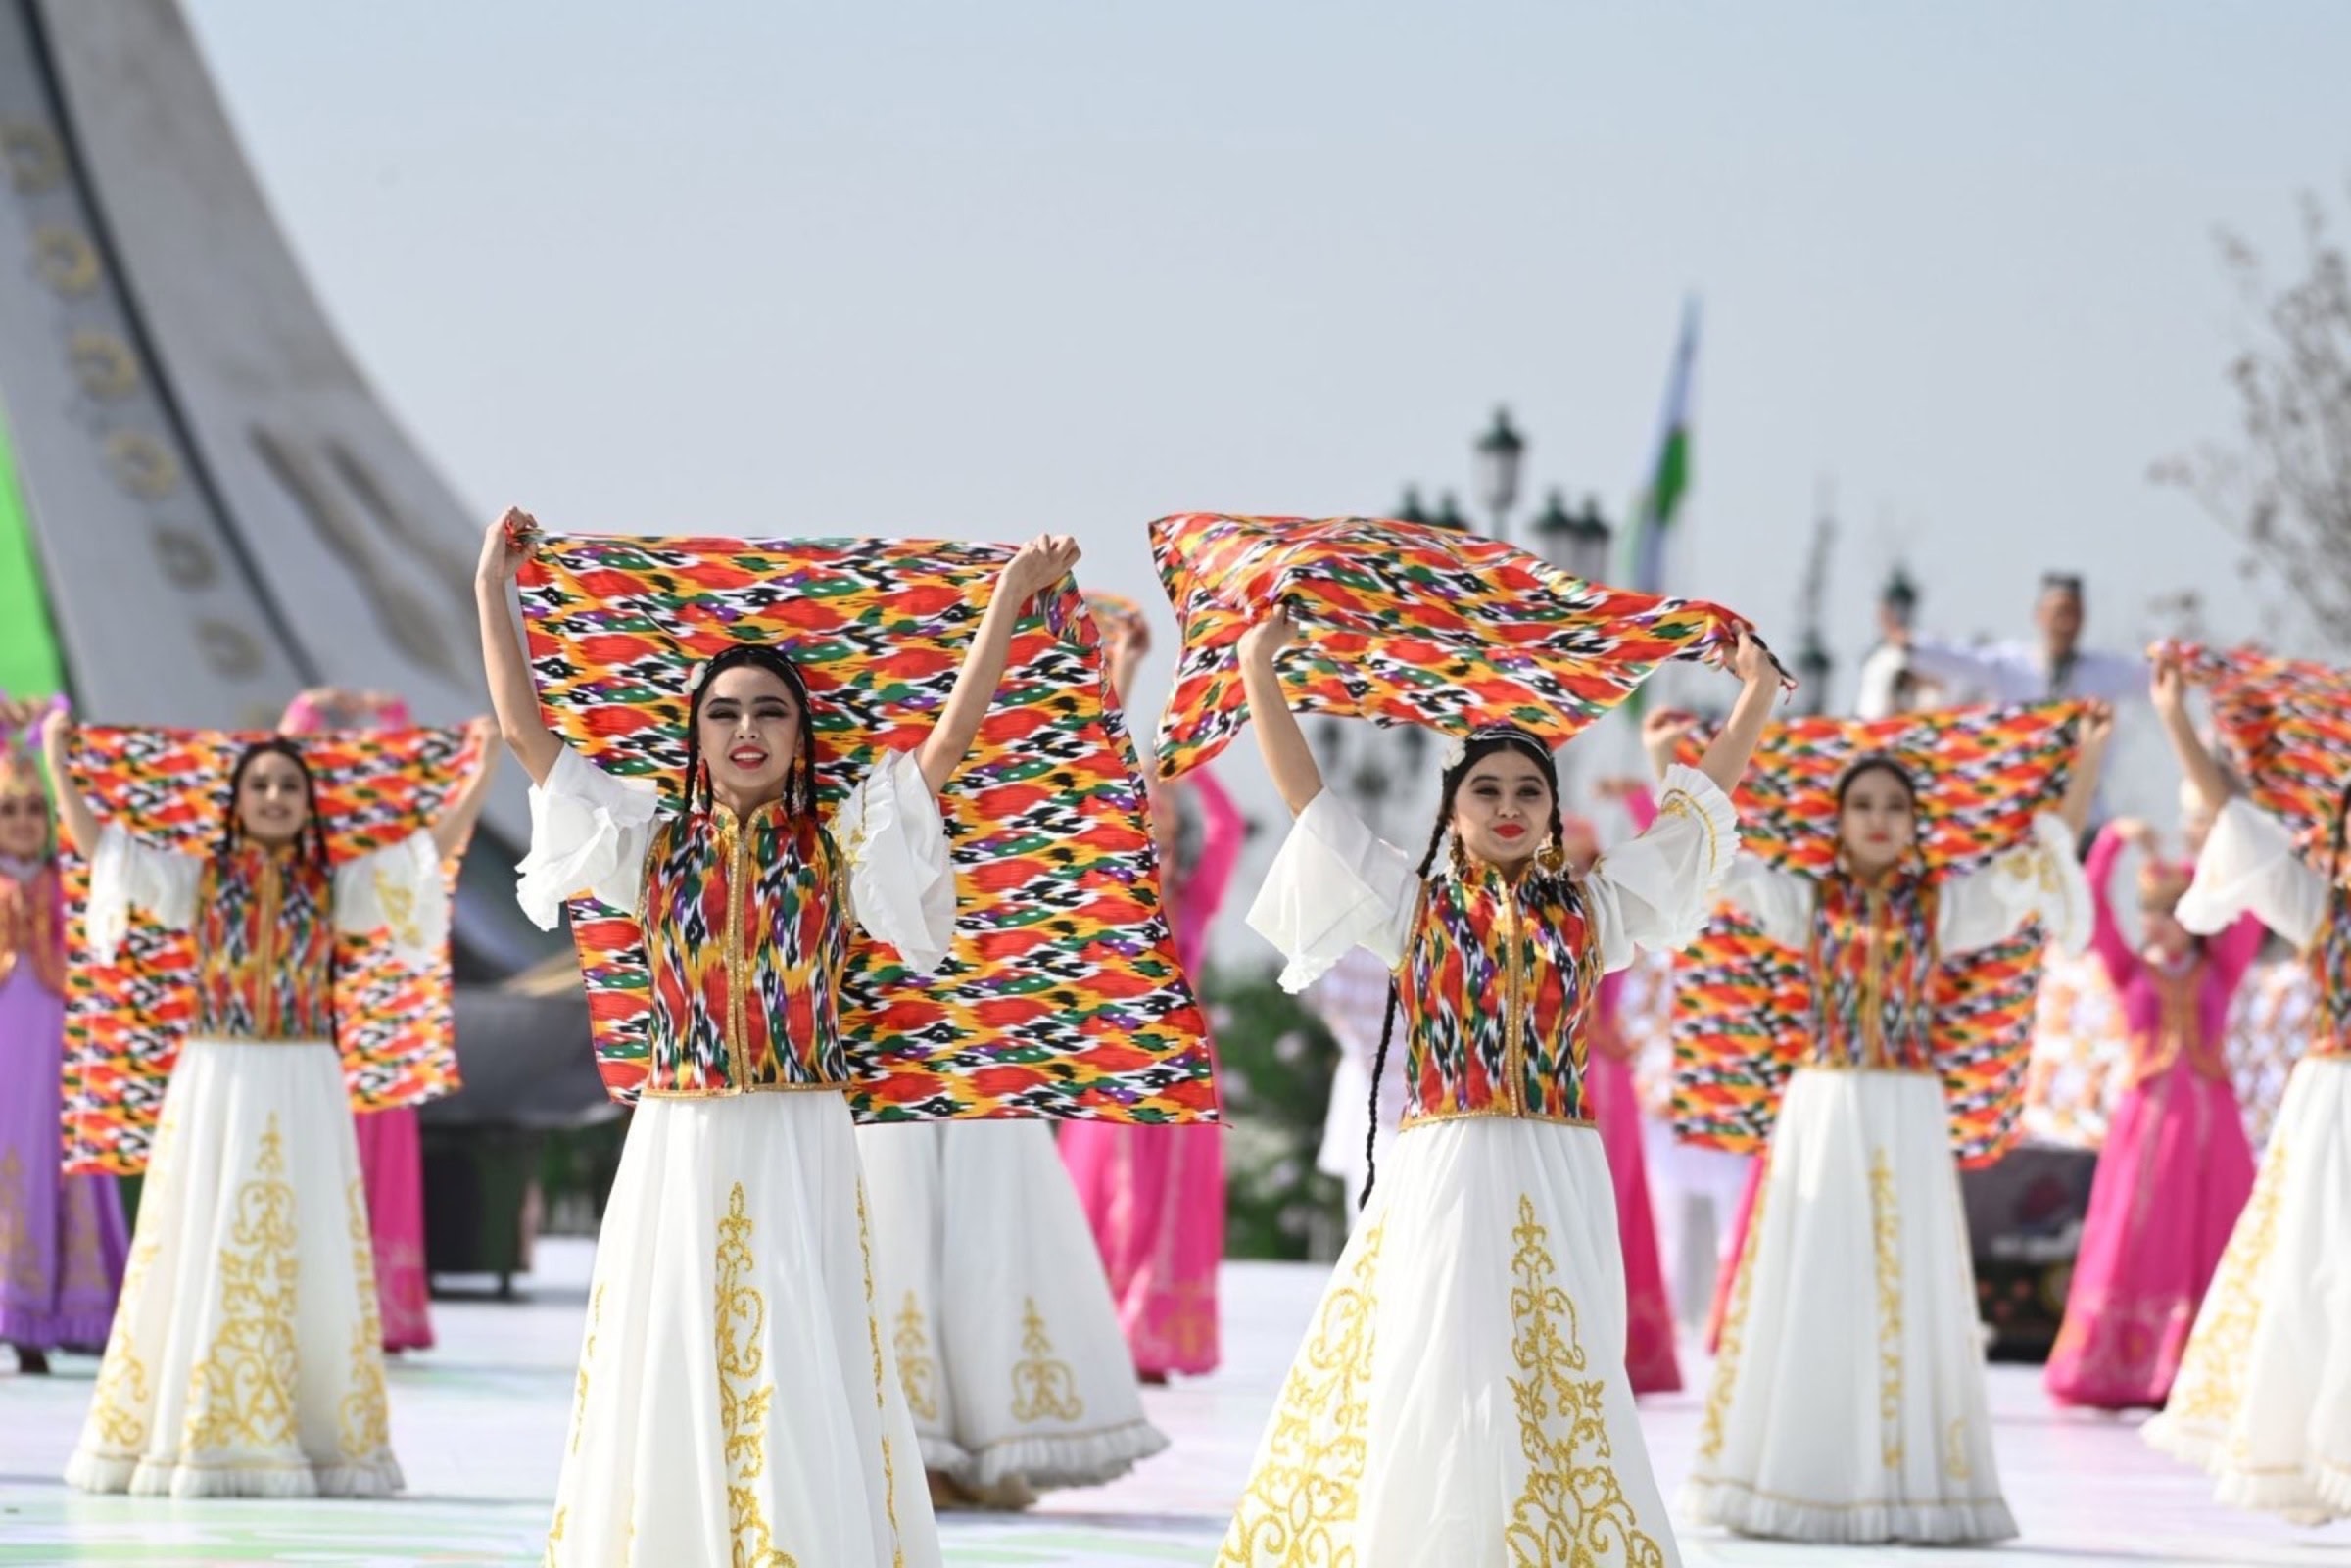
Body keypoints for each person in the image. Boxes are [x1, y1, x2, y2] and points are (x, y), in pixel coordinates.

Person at [480, 509, 1079, 1566]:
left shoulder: (843, 844)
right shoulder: (643, 843)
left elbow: (948, 743)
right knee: (674, 1342)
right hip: (680, 1135)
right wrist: (493, 584)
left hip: (803, 1127)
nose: (746, 727)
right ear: (696, 733)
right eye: (724, 712)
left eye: (769, 712)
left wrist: (1005, 603)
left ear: (802, 738)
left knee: (803, 1344)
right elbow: (529, 734)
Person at [1218, 609, 1778, 1567]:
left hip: (1558, 1164)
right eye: (1487, 789)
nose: (1509, 803)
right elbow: (1312, 805)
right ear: (1454, 809)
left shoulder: (1597, 911)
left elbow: (1693, 823)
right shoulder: (1413, 905)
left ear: (1554, 812)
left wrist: (1758, 693)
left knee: (1549, 1363)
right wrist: (1257, 673)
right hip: (1442, 1160)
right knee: (1436, 1352)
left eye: (1529, 789)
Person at [1678, 706, 2108, 1544]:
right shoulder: (1803, 904)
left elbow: (2040, 858)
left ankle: (1907, 1486)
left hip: (1909, 1108)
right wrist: (1680, 760)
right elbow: (1712, 852)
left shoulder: (1944, 909)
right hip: (1824, 1105)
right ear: (1836, 823)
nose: (1878, 819)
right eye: (1863, 804)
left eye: (1893, 806)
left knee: (1905, 1283)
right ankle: (1797, 1478)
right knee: (1814, 1276)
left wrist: (2087, 759)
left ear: (1915, 826)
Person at [49, 708, 493, 1497]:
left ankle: (312, 1440)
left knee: (307, 1246)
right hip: (215, 1081)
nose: (276, 795)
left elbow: (431, 856)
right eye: (261, 784)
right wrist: (55, 757)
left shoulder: (335, 888)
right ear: (238, 800)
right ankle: (193, 1435)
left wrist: (484, 768)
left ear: (308, 802)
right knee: (203, 1239)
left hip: (306, 1082)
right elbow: (103, 852)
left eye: (290, 784)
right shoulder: (200, 880)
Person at [2140, 651, 2350, 1524]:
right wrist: (2179, 722)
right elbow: (2238, 824)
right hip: (2334, 1100)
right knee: (2318, 1276)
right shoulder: (2321, 910)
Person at [1059, 600, 1241, 1380]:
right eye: (1148, 835)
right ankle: (1099, 1332)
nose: (1158, 847)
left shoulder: (1191, 904)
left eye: (1167, 835)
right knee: (1106, 1196)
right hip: (1114, 1059)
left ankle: (1152, 1338)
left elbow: (1229, 826)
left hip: (1181, 1067)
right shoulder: (1112, 896)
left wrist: (1188, 738)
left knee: (1168, 1205)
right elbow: (1092, 795)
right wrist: (1122, 681)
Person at [2041, 810, 2263, 1409]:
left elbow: (2247, 914)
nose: (2157, 923)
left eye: (2170, 911)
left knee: (2213, 1233)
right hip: (2144, 1125)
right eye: (2151, 911)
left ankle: (2204, 1370)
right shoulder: (2127, 968)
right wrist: (2114, 839)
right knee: (2135, 1229)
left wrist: (2206, 851)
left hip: (2213, 1125)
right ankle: (2121, 1368)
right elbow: (2091, 902)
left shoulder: (2221, 968)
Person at [279, 688, 457, 1355]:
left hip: (384, 1007)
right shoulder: (307, 838)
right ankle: (317, 1305)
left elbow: (423, 770)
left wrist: (387, 713)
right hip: (315, 1004)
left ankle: (382, 1313)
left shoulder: (396, 834)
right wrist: (312, 707)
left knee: (379, 1146)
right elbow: (278, 754)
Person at [0, 697, 128, 1375]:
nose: (23, 821)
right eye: (8, 810)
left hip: (58, 1052)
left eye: (32, 809)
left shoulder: (70, 882)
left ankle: (56, 1315)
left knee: (58, 1163)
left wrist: (47, 732)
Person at [1857, 572, 2143, 724]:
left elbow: (2146, 674)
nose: (2067, 623)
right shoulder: (2013, 664)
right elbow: (1962, 659)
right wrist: (1910, 643)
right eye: (2060, 612)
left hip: (2085, 807)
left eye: (2075, 613)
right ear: (2039, 616)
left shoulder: (2102, 671)